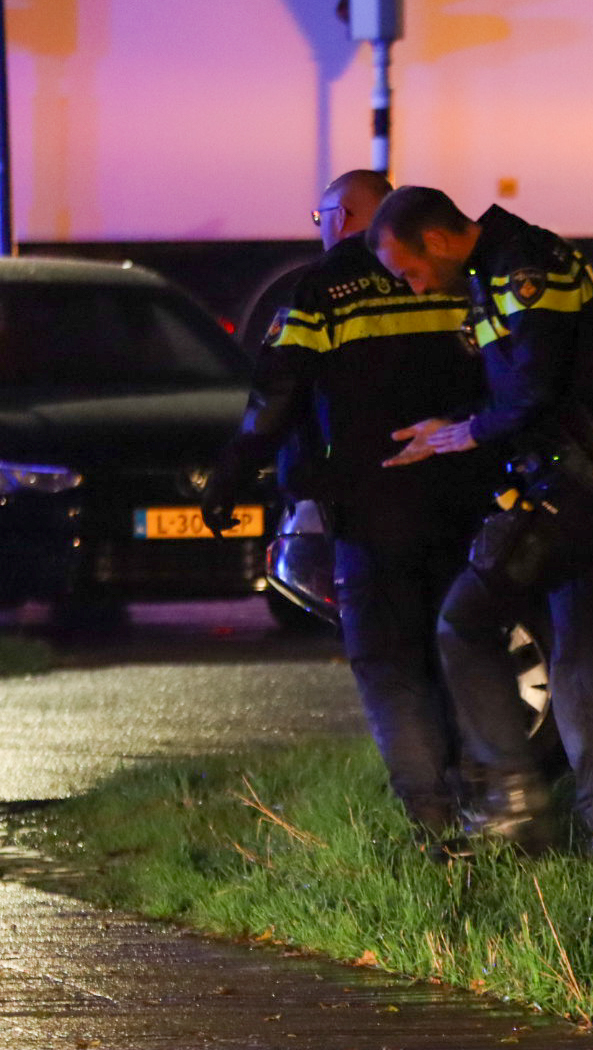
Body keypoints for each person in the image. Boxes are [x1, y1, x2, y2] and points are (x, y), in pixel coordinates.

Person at [201, 170, 498, 853]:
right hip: (465, 505)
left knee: (387, 663)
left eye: (323, 213)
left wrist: (232, 472)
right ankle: (483, 801)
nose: (321, 226)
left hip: (371, 509)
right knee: (453, 648)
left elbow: (276, 394)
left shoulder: (319, 292)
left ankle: (431, 820)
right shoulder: (453, 279)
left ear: (347, 216)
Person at [365, 186, 593, 861]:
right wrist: (454, 425)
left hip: (573, 486)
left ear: (435, 240)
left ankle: (513, 803)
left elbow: (536, 388)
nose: (412, 285)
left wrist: (467, 432)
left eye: (408, 269)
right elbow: (517, 384)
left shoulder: (521, 269)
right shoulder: (500, 265)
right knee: (582, 660)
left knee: (463, 623)